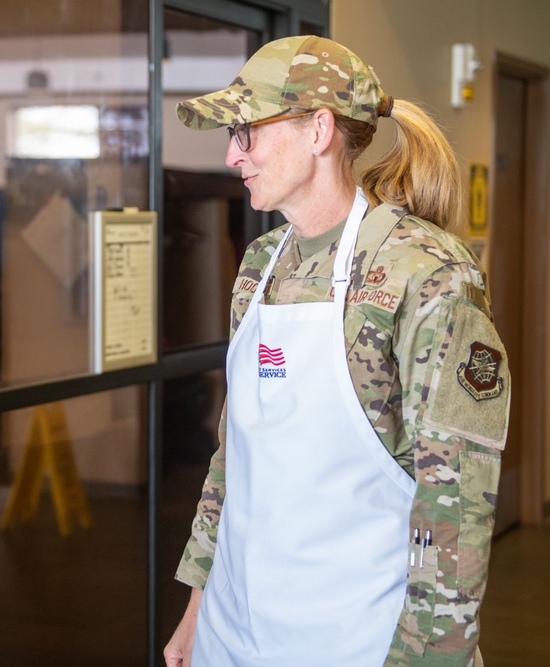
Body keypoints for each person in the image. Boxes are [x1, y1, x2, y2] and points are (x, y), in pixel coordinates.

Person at [163, 36, 509, 667]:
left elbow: (454, 497)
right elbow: (233, 455)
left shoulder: (425, 273)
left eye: (246, 131)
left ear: (319, 128)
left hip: (358, 640)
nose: (230, 154)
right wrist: (195, 608)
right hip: (234, 631)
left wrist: (428, 659)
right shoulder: (261, 264)